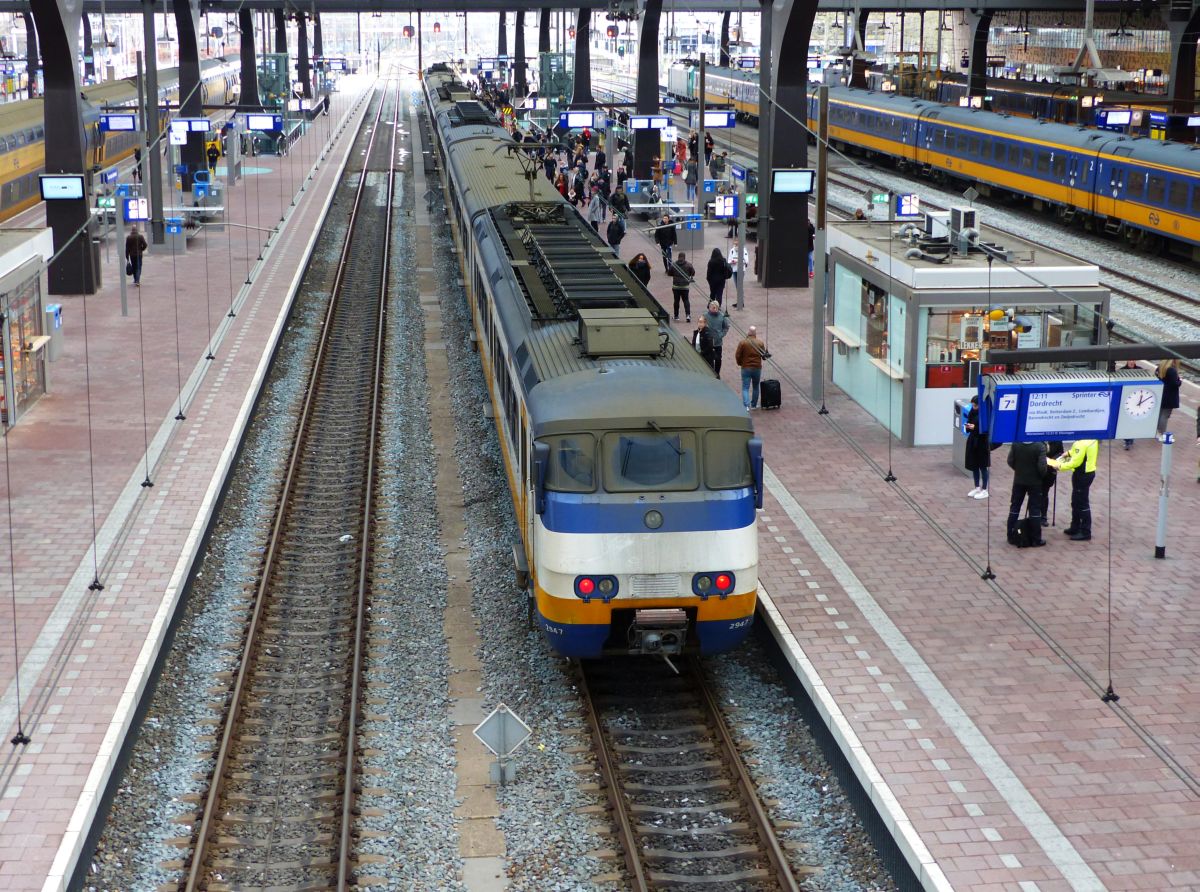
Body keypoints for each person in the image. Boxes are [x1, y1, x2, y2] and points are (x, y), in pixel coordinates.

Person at [1049, 438, 1099, 541]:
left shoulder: (1080, 443)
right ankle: (1075, 526)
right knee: (1076, 501)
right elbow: (1080, 453)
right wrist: (1068, 453)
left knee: (1081, 503)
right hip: (1088, 473)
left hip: (1081, 475)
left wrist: (1060, 466)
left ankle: (1085, 531)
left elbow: (1075, 462)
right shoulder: (1092, 439)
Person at [1006, 440, 1048, 546]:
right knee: (1035, 509)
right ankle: (1036, 539)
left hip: (1019, 480)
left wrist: (1019, 470)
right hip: (1035, 482)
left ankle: (1011, 536)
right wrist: (1040, 475)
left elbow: (1010, 461)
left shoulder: (1016, 443)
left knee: (1015, 507)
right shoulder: (1040, 446)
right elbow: (1042, 468)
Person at [964, 395, 990, 499]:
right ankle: (977, 487)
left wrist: (974, 427)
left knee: (983, 466)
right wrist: (970, 427)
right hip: (973, 441)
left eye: (975, 405)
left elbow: (984, 429)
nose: (973, 407)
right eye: (973, 405)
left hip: (982, 443)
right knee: (974, 465)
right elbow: (968, 425)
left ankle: (984, 489)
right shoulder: (972, 412)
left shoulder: (984, 414)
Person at [735, 326, 767, 409]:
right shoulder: (760, 343)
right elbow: (764, 357)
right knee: (756, 386)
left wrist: (740, 363)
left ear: (749, 332)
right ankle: (754, 405)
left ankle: (746, 406)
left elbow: (737, 355)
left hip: (746, 367)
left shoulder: (743, 343)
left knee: (745, 387)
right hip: (757, 368)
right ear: (755, 333)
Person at [703, 300, 731, 378]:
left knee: (718, 359)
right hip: (708, 342)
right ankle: (709, 373)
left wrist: (721, 334)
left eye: (716, 308)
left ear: (718, 308)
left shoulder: (722, 316)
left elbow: (726, 326)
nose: (714, 309)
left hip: (718, 342)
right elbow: (700, 325)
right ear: (709, 308)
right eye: (712, 307)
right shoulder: (705, 315)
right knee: (708, 359)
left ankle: (717, 373)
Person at [1039, 440, 1064, 526]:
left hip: (1049, 471)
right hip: (1037, 470)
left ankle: (1043, 516)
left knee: (1044, 493)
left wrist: (1051, 461)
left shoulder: (1057, 440)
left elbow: (1061, 453)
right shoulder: (1038, 438)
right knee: (1036, 493)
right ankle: (1034, 515)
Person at [1156, 358, 1181, 439]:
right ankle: (1161, 433)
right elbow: (1175, 384)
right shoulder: (1172, 370)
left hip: (1160, 393)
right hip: (1169, 396)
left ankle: (1156, 431)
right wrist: (1180, 381)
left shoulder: (1160, 368)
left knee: (1160, 413)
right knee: (1165, 415)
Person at [671, 252, 696, 322]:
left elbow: (669, 273)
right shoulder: (689, 265)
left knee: (676, 301)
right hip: (685, 286)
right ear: (684, 257)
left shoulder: (674, 264)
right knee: (686, 300)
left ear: (678, 257)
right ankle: (688, 315)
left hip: (676, 286)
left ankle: (676, 316)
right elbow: (693, 273)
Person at [1121, 360, 1139, 449]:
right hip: (1125, 400)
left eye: (1133, 360)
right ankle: (1127, 439)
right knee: (1126, 419)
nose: (1132, 362)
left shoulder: (1140, 371)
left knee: (1133, 420)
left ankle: (1130, 438)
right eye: (1130, 360)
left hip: (1136, 401)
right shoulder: (1121, 371)